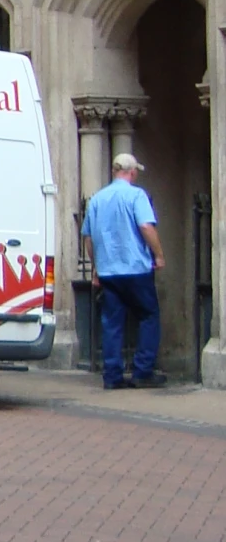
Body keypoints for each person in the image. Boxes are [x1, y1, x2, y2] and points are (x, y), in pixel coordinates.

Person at [80, 152, 166, 389]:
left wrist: (96, 267)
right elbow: (146, 226)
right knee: (149, 316)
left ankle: (112, 375)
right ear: (132, 171)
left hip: (109, 271)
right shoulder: (137, 195)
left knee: (112, 323)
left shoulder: (97, 199)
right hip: (136, 268)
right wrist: (158, 254)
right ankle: (142, 371)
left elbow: (88, 237)